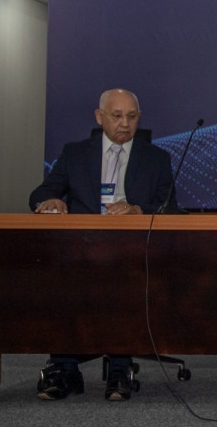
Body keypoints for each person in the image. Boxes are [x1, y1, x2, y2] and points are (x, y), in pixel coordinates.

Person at [28, 88, 176, 402]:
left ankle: (120, 367)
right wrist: (50, 200)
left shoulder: (157, 159)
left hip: (131, 250)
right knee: (60, 277)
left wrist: (137, 210)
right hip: (81, 249)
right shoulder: (74, 153)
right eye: (117, 115)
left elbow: (169, 208)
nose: (125, 123)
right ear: (100, 117)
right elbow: (41, 193)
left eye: (132, 117)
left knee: (127, 277)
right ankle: (64, 368)